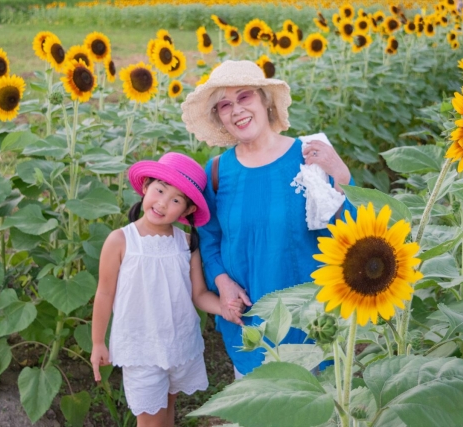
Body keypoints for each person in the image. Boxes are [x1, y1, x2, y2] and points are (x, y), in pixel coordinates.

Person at [180, 60, 357, 378]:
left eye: (244, 97)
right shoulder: (218, 171)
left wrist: (342, 176)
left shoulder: (309, 156)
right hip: (248, 325)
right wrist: (222, 282)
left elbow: (352, 231)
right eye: (224, 104)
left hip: (310, 325)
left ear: (264, 100)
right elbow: (209, 238)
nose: (236, 110)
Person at [90, 152, 243, 427]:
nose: (162, 203)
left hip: (178, 343)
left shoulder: (186, 243)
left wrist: (223, 308)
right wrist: (98, 342)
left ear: (187, 211)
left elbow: (198, 295)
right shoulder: (121, 241)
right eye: (159, 190)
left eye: (175, 200)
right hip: (141, 348)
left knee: (167, 413)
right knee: (150, 421)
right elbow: (104, 293)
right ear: (146, 186)